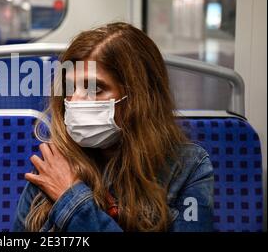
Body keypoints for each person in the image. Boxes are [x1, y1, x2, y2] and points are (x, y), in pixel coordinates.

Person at [12, 22, 214, 232]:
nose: (75, 100)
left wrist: (71, 199)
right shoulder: (56, 162)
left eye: (96, 88)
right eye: (71, 87)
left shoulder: (189, 167)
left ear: (138, 98)